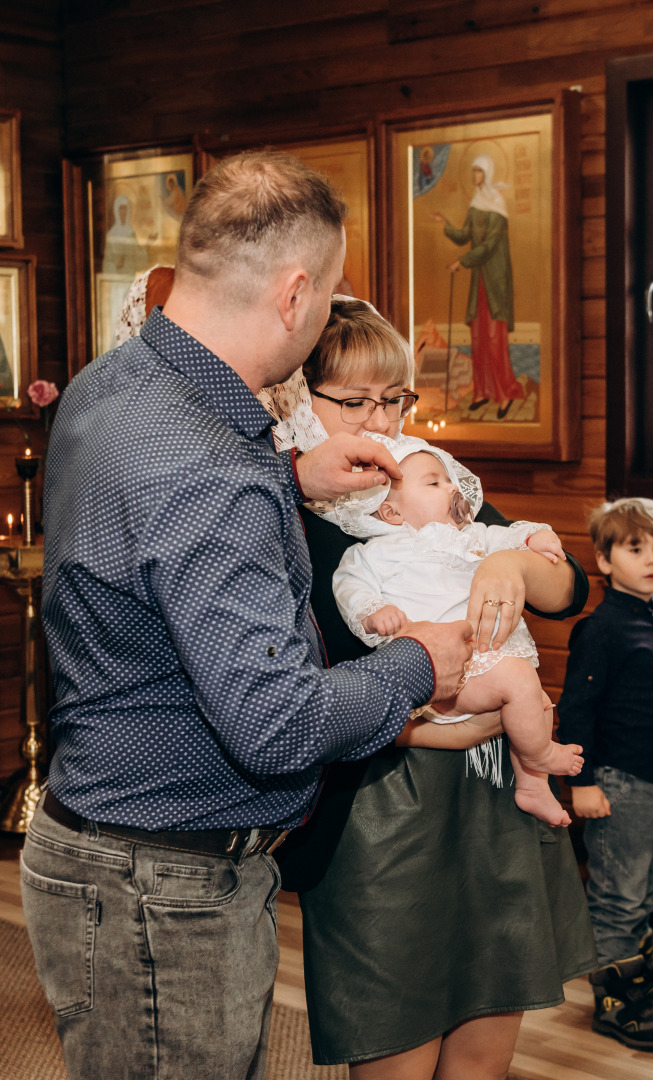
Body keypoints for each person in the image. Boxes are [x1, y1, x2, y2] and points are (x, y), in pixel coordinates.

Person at [20, 151, 477, 1080]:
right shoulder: (207, 467)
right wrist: (419, 663)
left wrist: (286, 477)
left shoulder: (115, 383)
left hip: (103, 845)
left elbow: (152, 524)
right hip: (166, 885)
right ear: (295, 292)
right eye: (334, 289)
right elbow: (276, 725)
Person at [263, 296, 597, 1080]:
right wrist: (431, 727)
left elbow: (569, 586)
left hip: (489, 801)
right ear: (297, 398)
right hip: (377, 812)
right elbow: (288, 693)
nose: (382, 422)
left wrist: (508, 564)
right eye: (354, 402)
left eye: (396, 399)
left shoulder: (431, 488)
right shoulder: (290, 517)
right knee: (396, 1039)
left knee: (486, 1037)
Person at [330, 433, 584, 827]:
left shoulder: (474, 536)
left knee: (533, 699)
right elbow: (350, 585)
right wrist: (373, 612)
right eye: (433, 482)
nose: (450, 487)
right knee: (521, 686)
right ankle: (539, 756)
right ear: (391, 513)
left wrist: (535, 536)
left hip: (488, 659)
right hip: (445, 674)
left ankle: (533, 786)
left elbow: (511, 536)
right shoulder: (374, 553)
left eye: (449, 480)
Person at [557, 497, 653, 1052]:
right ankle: (616, 1000)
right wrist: (583, 781)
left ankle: (639, 973)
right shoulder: (600, 629)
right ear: (603, 559)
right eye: (635, 547)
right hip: (620, 785)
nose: (651, 558)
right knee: (618, 896)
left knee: (646, 891)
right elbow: (577, 709)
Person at [433, 153, 525, 419]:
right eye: (472, 172)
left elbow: (487, 248)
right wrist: (446, 224)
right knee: (479, 340)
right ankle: (483, 392)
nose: (475, 177)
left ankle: (504, 393)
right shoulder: (475, 205)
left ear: (488, 174)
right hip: (480, 285)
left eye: (479, 172)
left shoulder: (498, 207)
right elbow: (465, 236)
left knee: (496, 341)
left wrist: (460, 263)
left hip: (495, 284)